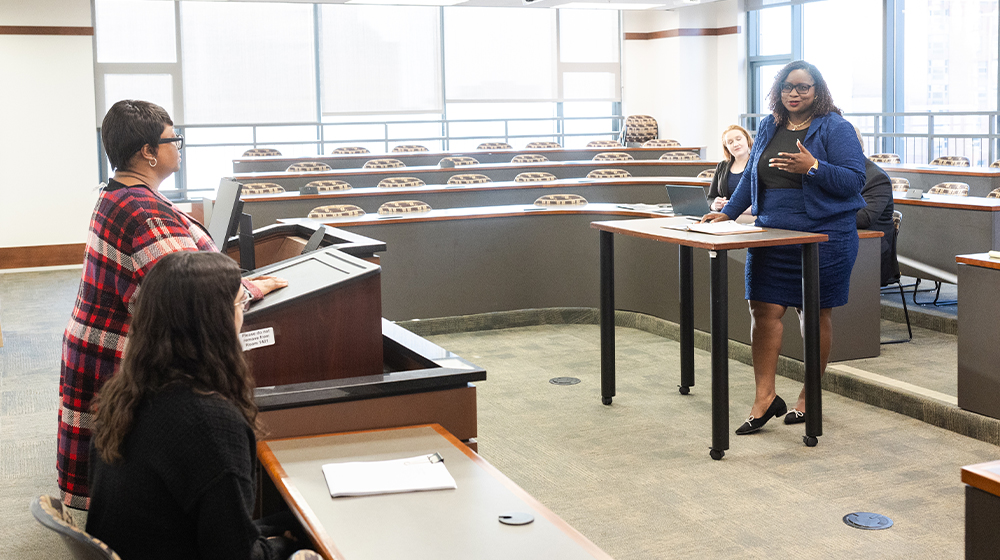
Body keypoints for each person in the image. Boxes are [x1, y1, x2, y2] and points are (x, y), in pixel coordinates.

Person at [58, 99, 287, 509]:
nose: (178, 147)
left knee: (122, 493)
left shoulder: (119, 195)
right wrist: (250, 289)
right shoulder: (145, 213)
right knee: (137, 504)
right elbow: (189, 294)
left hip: (97, 347)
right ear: (147, 151)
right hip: (115, 355)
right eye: (172, 139)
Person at [87, 251, 305, 560]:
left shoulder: (125, 395)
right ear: (214, 323)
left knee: (288, 521)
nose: (243, 316)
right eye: (241, 304)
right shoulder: (210, 423)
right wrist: (290, 546)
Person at [700, 61, 866, 434]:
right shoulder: (768, 125)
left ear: (817, 91)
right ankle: (765, 399)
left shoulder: (835, 128)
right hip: (772, 234)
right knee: (762, 310)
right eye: (788, 87)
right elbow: (752, 179)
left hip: (823, 236)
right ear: (778, 90)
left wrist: (813, 167)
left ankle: (810, 396)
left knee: (815, 314)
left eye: (803, 88)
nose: (795, 93)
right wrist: (728, 212)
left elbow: (855, 181)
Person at [853, 126, 896, 285]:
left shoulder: (876, 177)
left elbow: (864, 218)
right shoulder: (835, 173)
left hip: (871, 252)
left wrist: (822, 211)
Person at [707, 125, 754, 211]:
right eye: (730, 142)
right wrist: (714, 205)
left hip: (750, 216)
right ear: (727, 148)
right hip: (725, 217)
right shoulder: (722, 166)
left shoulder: (757, 164)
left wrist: (732, 206)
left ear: (747, 140)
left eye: (739, 139)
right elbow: (710, 198)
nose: (735, 144)